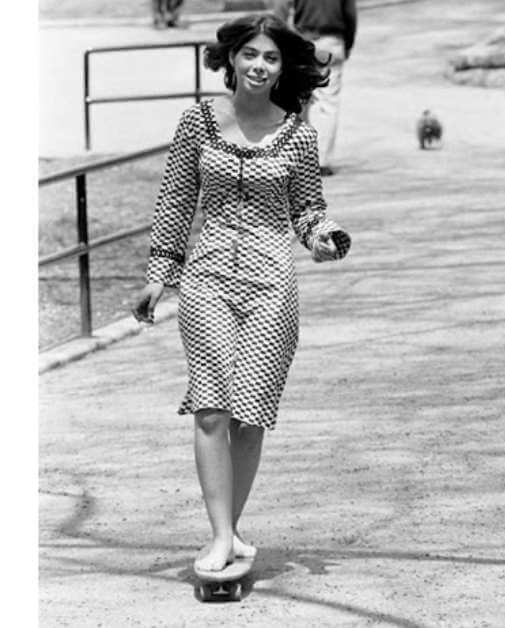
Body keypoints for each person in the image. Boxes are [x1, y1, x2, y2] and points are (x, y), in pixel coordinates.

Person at [131, 14, 351, 573]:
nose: (259, 65)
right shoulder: (198, 122)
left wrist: (323, 239)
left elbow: (308, 211)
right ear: (231, 58)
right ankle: (221, 536)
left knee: (249, 414)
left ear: (282, 67)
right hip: (206, 281)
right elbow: (176, 199)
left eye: (271, 57)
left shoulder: (299, 134)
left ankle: (229, 530)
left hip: (271, 285)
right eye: (250, 54)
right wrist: (160, 273)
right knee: (211, 410)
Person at [275, 0, 358, 175]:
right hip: (332, 40)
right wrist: (347, 43)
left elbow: (281, 9)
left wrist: (280, 39)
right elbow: (350, 14)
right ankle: (321, 161)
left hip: (303, 39)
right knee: (327, 102)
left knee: (298, 101)